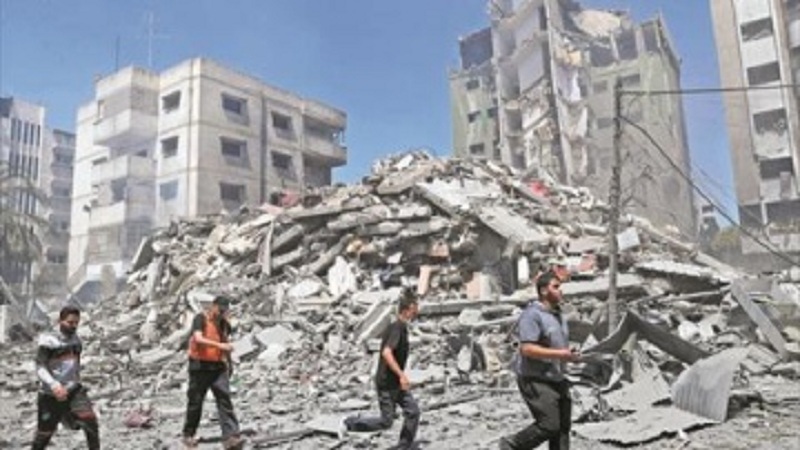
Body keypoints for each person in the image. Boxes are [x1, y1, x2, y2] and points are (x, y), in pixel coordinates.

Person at [500, 271, 579, 450]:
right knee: (549, 425)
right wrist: (562, 354)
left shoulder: (558, 314)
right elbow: (527, 349)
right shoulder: (532, 315)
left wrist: (571, 354)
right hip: (535, 378)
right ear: (543, 291)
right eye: (556, 287)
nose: (561, 291)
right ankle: (511, 445)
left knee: (562, 428)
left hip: (556, 376)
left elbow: (557, 345)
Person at [345, 292, 421, 449]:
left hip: (395, 382)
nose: (417, 313)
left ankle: (404, 446)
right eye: (414, 310)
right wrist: (402, 376)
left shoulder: (401, 328)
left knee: (413, 411)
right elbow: (387, 352)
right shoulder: (396, 328)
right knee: (386, 421)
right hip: (387, 382)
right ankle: (349, 423)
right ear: (406, 311)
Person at [32, 305, 100, 450]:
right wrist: (54, 384)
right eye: (70, 322)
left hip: (73, 390)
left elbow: (75, 365)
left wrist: (74, 382)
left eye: (76, 323)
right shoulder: (49, 341)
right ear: (60, 321)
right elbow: (40, 366)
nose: (73, 326)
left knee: (90, 422)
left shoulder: (76, 341)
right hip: (50, 394)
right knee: (44, 434)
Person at [181, 296, 244, 449]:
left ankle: (231, 437)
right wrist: (219, 346)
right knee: (195, 402)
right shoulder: (200, 319)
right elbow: (198, 338)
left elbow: (226, 343)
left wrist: (229, 364)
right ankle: (189, 434)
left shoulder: (224, 324)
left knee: (224, 399)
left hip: (217, 366)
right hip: (199, 366)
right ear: (213, 306)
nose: (221, 313)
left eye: (224, 311)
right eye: (220, 310)